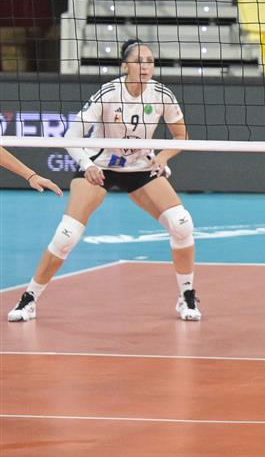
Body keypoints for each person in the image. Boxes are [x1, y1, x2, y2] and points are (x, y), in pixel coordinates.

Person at [7, 40, 201, 323]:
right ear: (125, 66)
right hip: (100, 167)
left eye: (150, 61)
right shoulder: (109, 93)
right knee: (67, 234)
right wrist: (86, 165)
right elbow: (71, 136)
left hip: (140, 167)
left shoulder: (162, 94)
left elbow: (181, 136)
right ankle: (29, 299)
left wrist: (163, 157)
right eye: (139, 61)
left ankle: (186, 296)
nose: (145, 66)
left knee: (182, 224)